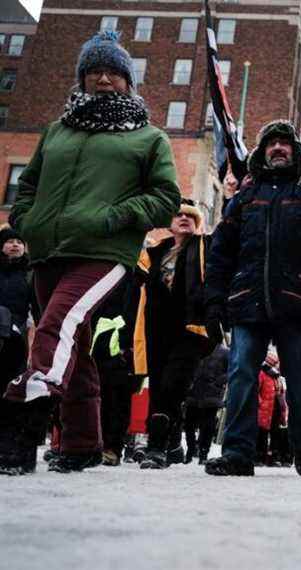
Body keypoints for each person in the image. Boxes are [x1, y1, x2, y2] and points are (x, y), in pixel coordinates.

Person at [0, 31, 180, 475]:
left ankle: (25, 413)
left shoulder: (148, 137)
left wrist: (113, 218)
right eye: (95, 71)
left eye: (114, 73)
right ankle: (81, 443)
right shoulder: (56, 131)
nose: (104, 79)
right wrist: (26, 220)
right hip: (48, 250)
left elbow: (164, 199)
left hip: (104, 251)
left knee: (55, 325)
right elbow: (29, 184)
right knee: (74, 346)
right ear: (82, 78)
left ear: (129, 82)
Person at [204, 120, 301, 476]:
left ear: (296, 152)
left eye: (284, 143)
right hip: (247, 300)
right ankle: (238, 454)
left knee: (299, 379)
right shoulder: (244, 198)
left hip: (297, 303)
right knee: (242, 373)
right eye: (270, 143)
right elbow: (220, 253)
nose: (277, 148)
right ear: (262, 152)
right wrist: (213, 299)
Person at [134, 199, 214, 469]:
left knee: (172, 384)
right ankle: (173, 445)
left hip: (191, 329)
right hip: (156, 329)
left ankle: (156, 448)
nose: (183, 219)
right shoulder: (154, 253)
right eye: (178, 215)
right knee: (159, 386)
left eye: (190, 216)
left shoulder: (206, 247)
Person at [88, 278, 142, 468]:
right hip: (99, 341)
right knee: (97, 396)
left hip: (126, 346)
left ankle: (112, 448)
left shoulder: (137, 276)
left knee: (118, 399)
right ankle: (95, 444)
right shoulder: (102, 273)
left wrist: (129, 344)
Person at [0, 228, 33, 472]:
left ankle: (12, 451)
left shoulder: (31, 273)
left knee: (14, 392)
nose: (14, 245)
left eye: (18, 242)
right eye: (9, 241)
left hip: (18, 337)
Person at [184, 343, 229, 465]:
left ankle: (203, 452)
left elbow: (231, 370)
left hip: (212, 393)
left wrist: (219, 381)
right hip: (194, 391)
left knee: (207, 426)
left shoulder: (224, 352)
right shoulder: (197, 346)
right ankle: (190, 449)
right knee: (189, 424)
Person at [255, 353, 280, 465]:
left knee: (266, 434)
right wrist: (260, 403)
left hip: (272, 410)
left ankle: (263, 457)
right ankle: (257, 457)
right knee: (260, 434)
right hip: (263, 409)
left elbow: (278, 392)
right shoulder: (262, 374)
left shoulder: (274, 376)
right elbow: (256, 390)